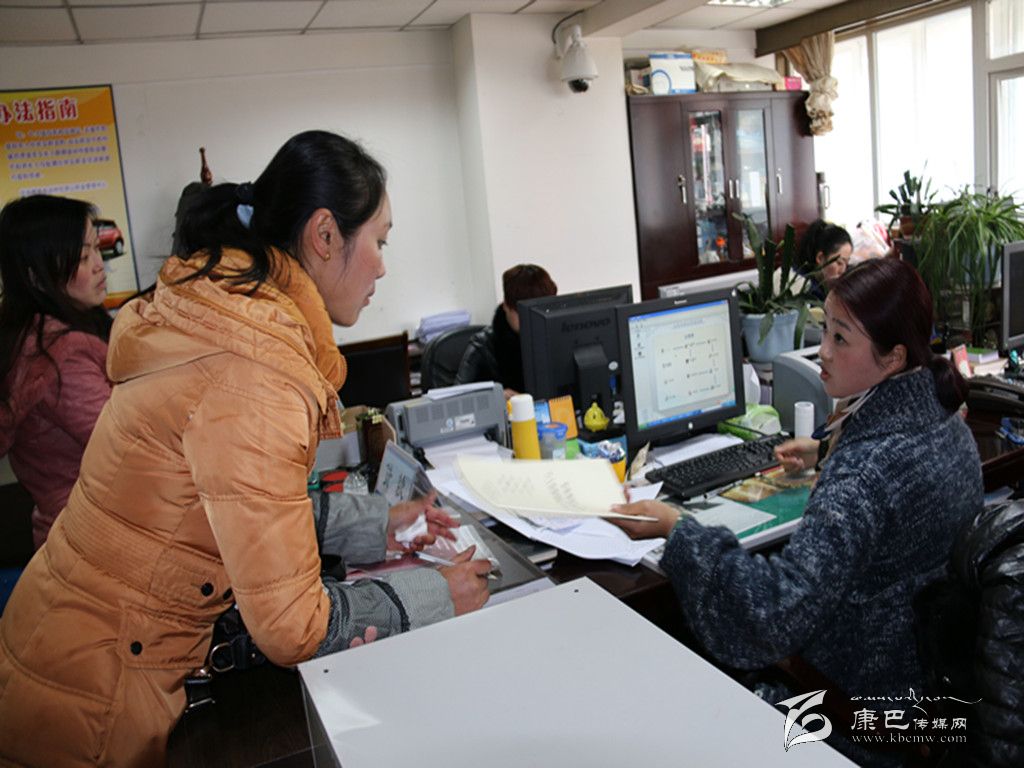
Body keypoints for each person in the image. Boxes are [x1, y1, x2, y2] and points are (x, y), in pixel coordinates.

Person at [0, 131, 491, 767]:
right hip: (94, 688)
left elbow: (244, 510)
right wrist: (435, 595)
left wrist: (383, 521)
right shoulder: (255, 366)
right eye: (381, 241)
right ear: (324, 235)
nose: (382, 267)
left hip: (67, 638)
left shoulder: (227, 314)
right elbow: (291, 626)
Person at [614, 258, 982, 762]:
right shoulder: (947, 424)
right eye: (824, 329)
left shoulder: (864, 474)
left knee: (672, 661)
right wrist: (826, 449)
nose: (823, 351)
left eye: (841, 338)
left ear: (894, 357)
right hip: (928, 687)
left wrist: (678, 529)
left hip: (857, 709)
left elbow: (772, 616)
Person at [0, 194, 112, 549]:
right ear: (36, 275)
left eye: (97, 249)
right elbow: (126, 440)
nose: (99, 266)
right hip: (94, 538)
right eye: (83, 256)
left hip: (77, 530)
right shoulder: (61, 357)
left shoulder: (32, 334)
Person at [455, 263, 556, 397]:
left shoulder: (556, 338)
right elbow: (457, 399)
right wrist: (496, 396)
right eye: (521, 313)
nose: (529, 320)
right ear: (506, 306)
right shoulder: (483, 346)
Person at [796, 218, 853, 298]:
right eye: (839, 263)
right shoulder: (802, 289)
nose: (843, 271)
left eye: (846, 264)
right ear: (820, 258)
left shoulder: (820, 286)